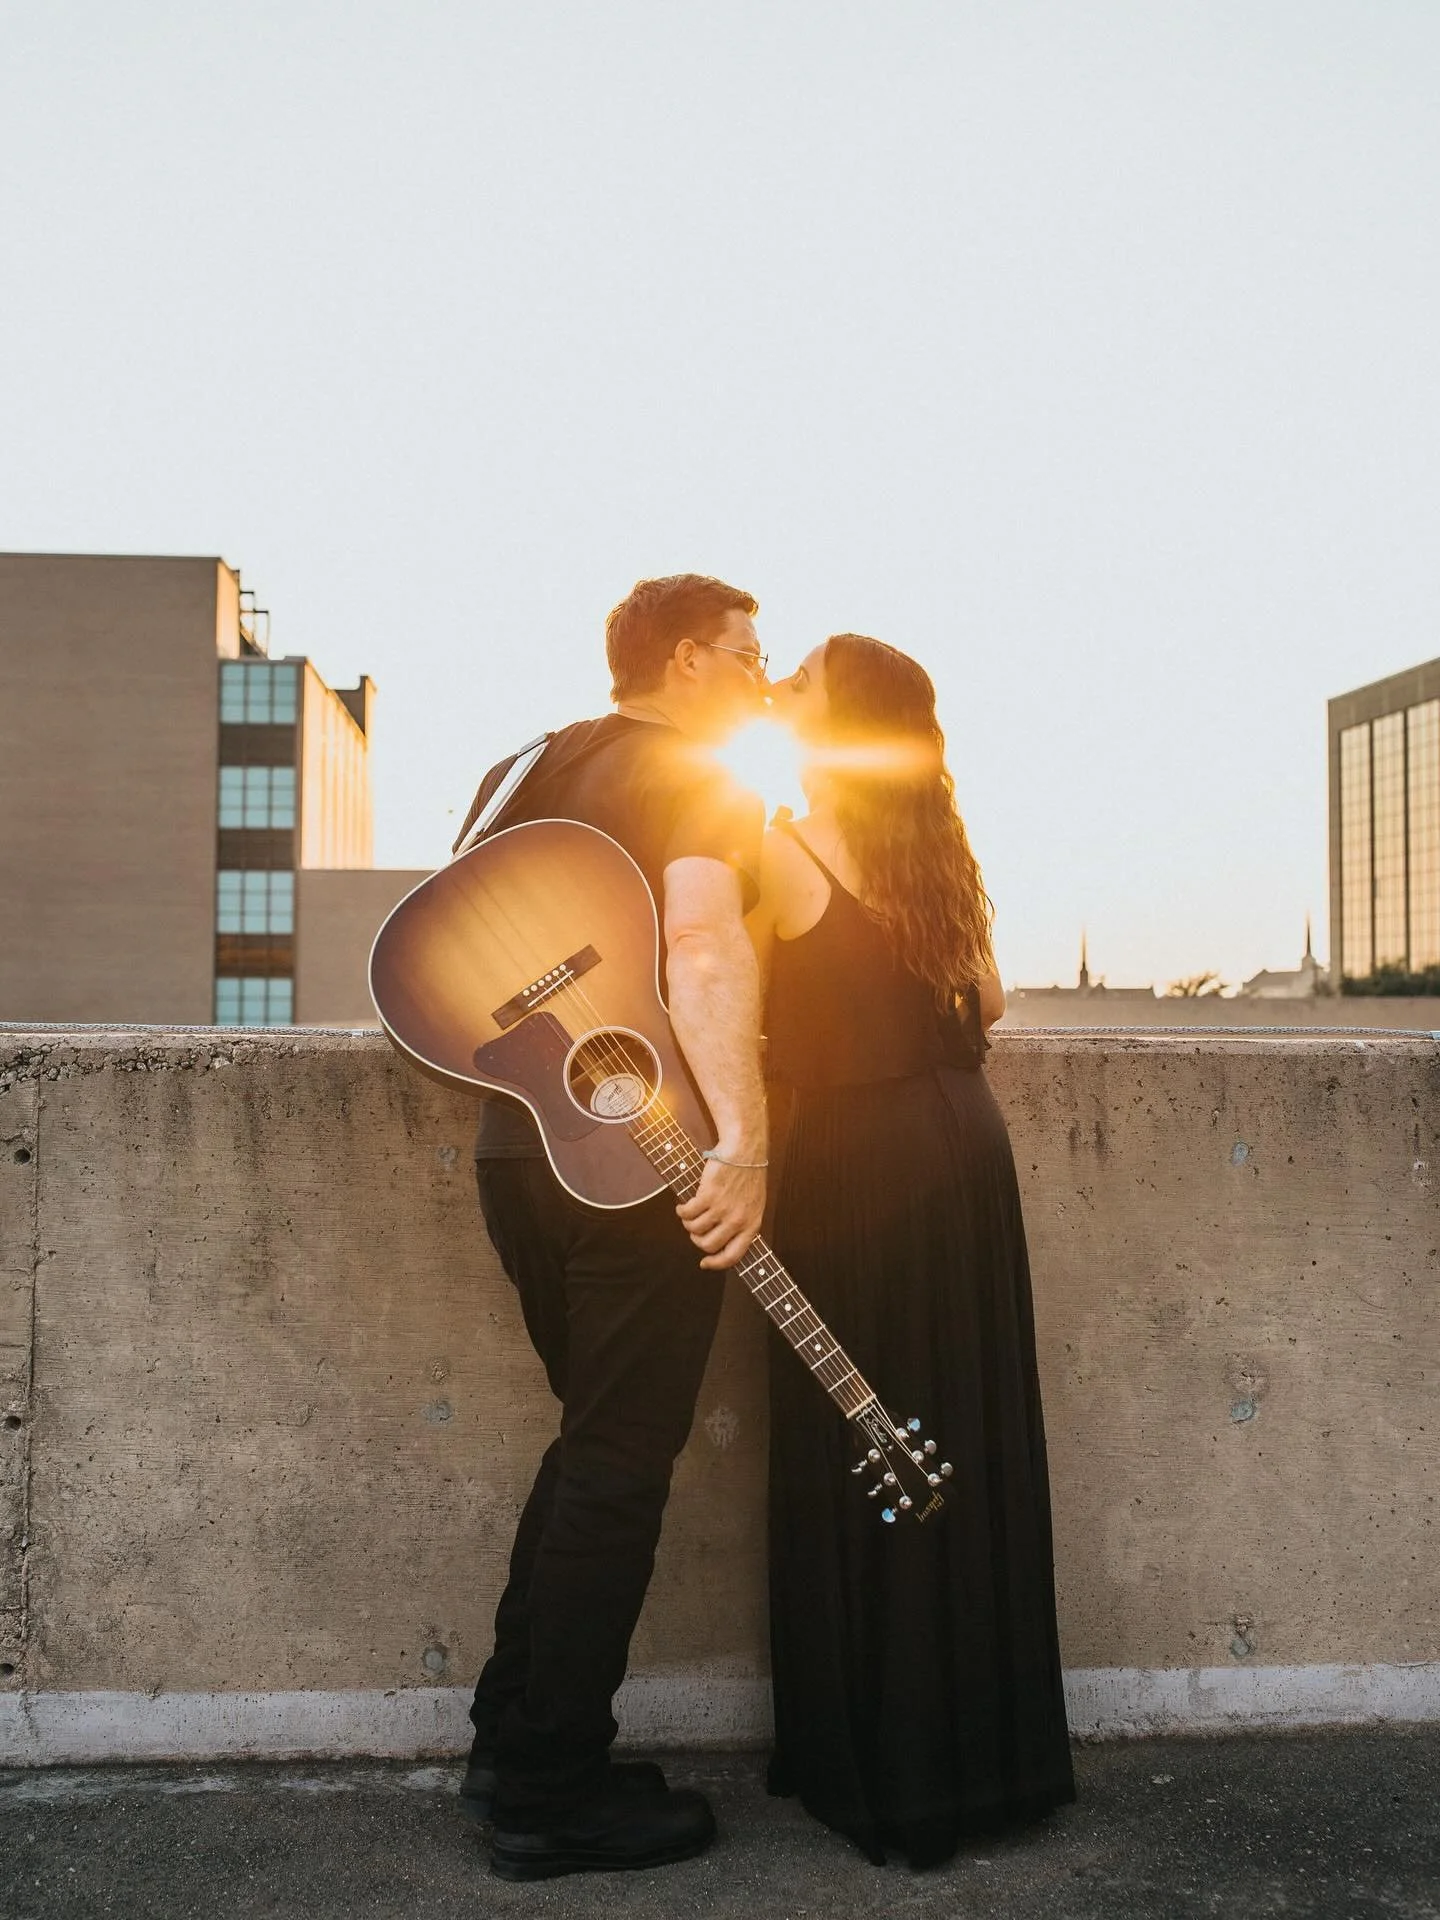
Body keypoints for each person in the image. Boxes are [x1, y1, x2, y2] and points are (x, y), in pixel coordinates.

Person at [457, 574, 770, 1880]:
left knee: (590, 1450)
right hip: (636, 1164)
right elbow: (700, 949)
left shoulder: (515, 770)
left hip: (513, 1151)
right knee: (620, 1473)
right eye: (751, 655)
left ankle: (511, 1739)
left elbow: (457, 957)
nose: (764, 676)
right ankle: (548, 1795)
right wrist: (741, 1141)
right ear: (690, 661)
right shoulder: (697, 772)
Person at [747, 633, 1076, 1868]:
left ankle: (877, 1762)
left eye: (801, 686)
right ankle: (994, 1759)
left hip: (855, 1160)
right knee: (963, 1432)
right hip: (964, 1150)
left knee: (865, 1433)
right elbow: (988, 1000)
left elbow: (714, 994)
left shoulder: (778, 844)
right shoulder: (932, 845)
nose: (779, 692)